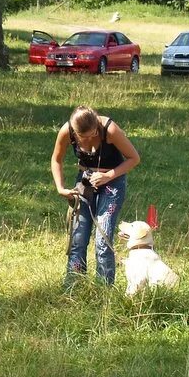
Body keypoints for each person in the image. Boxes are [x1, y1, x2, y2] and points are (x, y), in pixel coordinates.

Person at [50, 105, 140, 287]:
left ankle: (103, 289)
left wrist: (108, 176)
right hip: (84, 183)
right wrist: (60, 187)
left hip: (112, 183)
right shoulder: (66, 131)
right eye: (84, 136)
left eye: (93, 133)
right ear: (74, 131)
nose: (90, 138)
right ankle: (74, 286)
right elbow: (56, 159)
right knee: (78, 238)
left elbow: (134, 158)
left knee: (103, 238)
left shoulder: (110, 130)